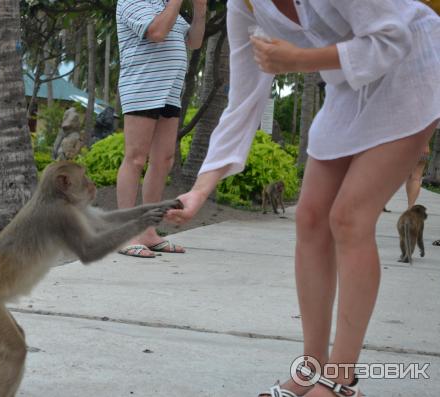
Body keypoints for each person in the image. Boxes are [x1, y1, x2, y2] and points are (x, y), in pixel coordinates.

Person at [166, 1, 440, 396]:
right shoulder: (243, 5)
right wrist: (199, 190)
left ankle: (341, 380)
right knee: (310, 217)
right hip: (349, 86)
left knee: (348, 218)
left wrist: (301, 60)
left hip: (411, 66)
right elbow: (243, 100)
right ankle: (311, 369)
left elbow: (390, 38)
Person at [115, 0, 206, 258]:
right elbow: (157, 33)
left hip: (169, 91)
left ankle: (148, 230)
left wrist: (200, 10)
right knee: (135, 159)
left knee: (163, 160)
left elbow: (195, 41)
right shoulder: (132, 1)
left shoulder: (166, 5)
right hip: (142, 88)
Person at [406, 137, 432, 208]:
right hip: (424, 149)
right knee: (416, 178)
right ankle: (410, 206)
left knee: (410, 177)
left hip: (409, 148)